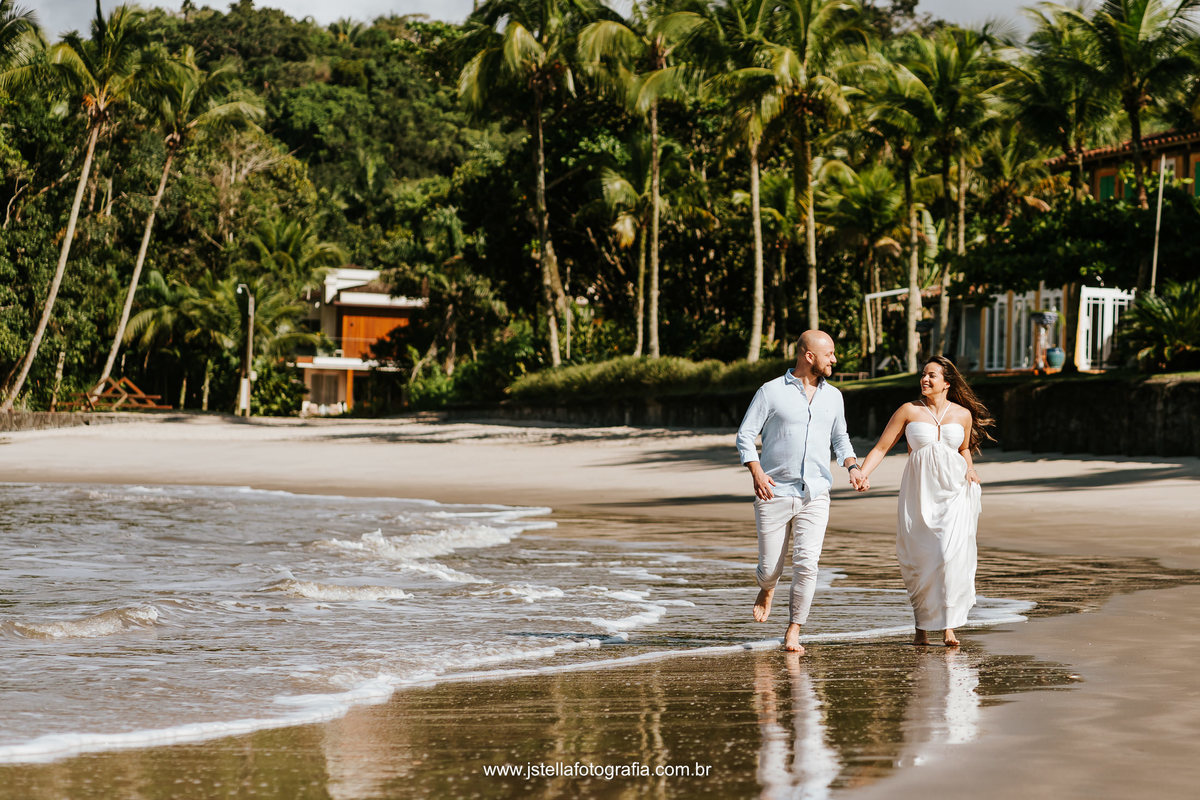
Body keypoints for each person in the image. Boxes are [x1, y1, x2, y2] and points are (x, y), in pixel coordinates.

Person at [736, 330, 866, 653]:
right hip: (774, 491)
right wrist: (756, 472)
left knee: (808, 564)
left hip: (816, 493)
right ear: (809, 356)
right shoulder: (770, 392)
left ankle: (794, 629)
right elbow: (745, 435)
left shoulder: (833, 397)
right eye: (829, 354)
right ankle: (768, 587)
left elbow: (841, 438)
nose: (834, 359)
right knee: (770, 569)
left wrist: (852, 466)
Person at [856, 355, 996, 646]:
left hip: (954, 492)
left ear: (947, 383)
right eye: (923, 374)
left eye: (932, 375)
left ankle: (948, 625)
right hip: (919, 493)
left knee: (949, 555)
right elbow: (881, 447)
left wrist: (970, 469)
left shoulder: (962, 414)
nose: (925, 379)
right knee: (921, 559)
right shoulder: (909, 410)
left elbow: (964, 449)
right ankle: (921, 625)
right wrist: (862, 473)